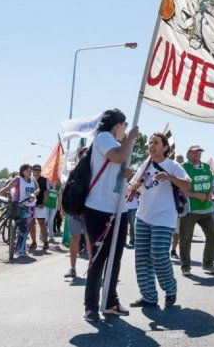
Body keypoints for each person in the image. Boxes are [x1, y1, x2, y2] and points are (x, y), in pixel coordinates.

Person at [82, 109, 138, 322]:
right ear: (118, 124)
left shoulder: (117, 143)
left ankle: (110, 301)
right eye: (125, 126)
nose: (126, 130)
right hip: (98, 208)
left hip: (119, 208)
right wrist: (131, 139)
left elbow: (117, 166)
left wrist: (127, 173)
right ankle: (91, 305)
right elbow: (117, 156)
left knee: (115, 258)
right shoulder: (104, 137)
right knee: (98, 258)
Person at [128, 132, 189, 309]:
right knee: (142, 259)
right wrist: (133, 186)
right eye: (150, 143)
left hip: (164, 218)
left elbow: (187, 185)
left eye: (155, 142)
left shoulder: (173, 165)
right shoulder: (145, 165)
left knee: (159, 254)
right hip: (143, 216)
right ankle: (148, 296)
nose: (151, 145)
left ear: (165, 147)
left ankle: (170, 289)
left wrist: (169, 177)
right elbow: (134, 187)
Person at [179, 144, 214, 276]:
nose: (197, 153)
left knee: (213, 235)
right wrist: (196, 195)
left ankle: (208, 263)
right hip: (190, 209)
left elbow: (211, 183)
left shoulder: (206, 167)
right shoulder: (183, 167)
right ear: (188, 154)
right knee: (185, 238)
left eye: (199, 151)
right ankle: (185, 266)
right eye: (194, 152)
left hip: (207, 209)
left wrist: (210, 193)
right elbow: (180, 188)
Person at [0, 164, 41, 257]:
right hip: (20, 205)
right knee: (23, 227)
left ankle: (20, 247)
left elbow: (38, 189)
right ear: (22, 171)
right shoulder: (18, 179)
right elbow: (8, 187)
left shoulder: (33, 179)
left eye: (30, 170)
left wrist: (34, 194)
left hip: (31, 207)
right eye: (28, 170)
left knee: (26, 228)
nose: (30, 172)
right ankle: (21, 249)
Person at [31, 164, 52, 251]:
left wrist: (44, 203)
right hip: (30, 205)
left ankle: (46, 242)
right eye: (35, 169)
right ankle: (34, 242)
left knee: (42, 224)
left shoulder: (45, 180)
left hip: (40, 205)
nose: (37, 171)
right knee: (31, 225)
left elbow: (47, 192)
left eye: (39, 169)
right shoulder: (29, 179)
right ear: (32, 170)